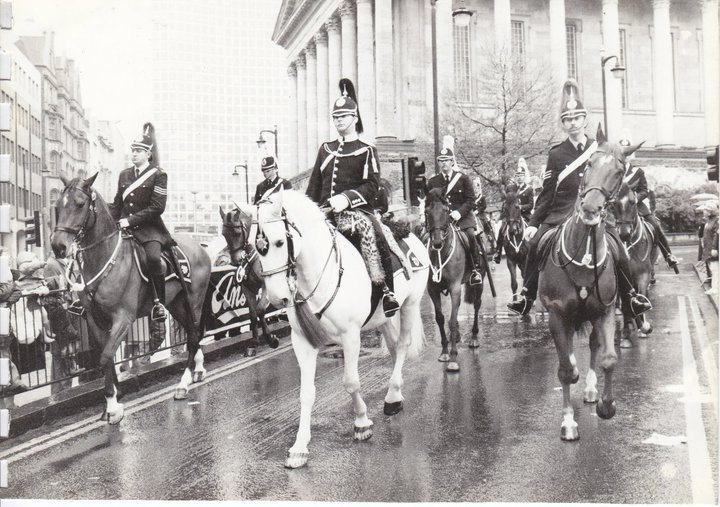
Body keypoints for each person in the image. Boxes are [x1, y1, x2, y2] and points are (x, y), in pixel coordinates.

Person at [507, 80, 652, 317]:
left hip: (597, 213)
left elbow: (613, 183)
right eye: (568, 119)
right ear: (563, 124)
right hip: (561, 212)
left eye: (577, 118)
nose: (573, 123)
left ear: (584, 120)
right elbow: (546, 193)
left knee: (620, 252)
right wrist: (533, 224)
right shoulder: (556, 153)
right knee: (534, 246)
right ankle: (526, 295)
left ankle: (630, 298)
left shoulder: (600, 148)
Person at [306, 78, 399, 317]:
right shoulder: (325, 149)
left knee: (375, 231)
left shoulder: (366, 150)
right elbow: (314, 187)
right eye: (336, 117)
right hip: (325, 214)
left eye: (344, 116)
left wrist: (347, 199)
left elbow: (371, 185)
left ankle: (388, 291)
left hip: (355, 212)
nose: (339, 120)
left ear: (354, 118)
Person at [109, 123, 173, 324]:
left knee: (153, 259)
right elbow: (118, 204)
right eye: (133, 151)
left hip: (149, 229)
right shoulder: (124, 175)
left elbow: (157, 207)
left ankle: (159, 303)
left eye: (138, 151)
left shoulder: (158, 174)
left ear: (148, 154)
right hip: (124, 228)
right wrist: (110, 221)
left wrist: (130, 220)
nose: (134, 155)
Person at [426, 140, 484, 286]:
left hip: (462, 217)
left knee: (470, 236)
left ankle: (475, 269)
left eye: (446, 160)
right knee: (426, 238)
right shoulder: (433, 181)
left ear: (452, 162)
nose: (444, 163)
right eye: (441, 161)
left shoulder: (463, 179)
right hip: (440, 219)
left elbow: (471, 200)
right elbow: (429, 203)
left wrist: (459, 212)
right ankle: (429, 269)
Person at [619, 137, 678, 269]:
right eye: (622, 154)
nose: (625, 157)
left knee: (655, 225)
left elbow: (644, 191)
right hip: (617, 208)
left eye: (627, 154)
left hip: (636, 206)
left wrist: (636, 198)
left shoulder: (638, 172)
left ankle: (668, 255)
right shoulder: (613, 171)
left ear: (631, 155)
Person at [494, 158, 534, 263]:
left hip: (525, 215)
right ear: (515, 177)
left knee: (534, 230)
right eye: (517, 176)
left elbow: (531, 204)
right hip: (512, 215)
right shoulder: (511, 188)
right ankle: (498, 252)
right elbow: (506, 202)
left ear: (524, 176)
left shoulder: (529, 189)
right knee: (502, 230)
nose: (519, 178)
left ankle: (536, 253)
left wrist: (521, 207)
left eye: (521, 176)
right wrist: (502, 215)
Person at [472, 178, 495, 253]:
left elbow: (484, 206)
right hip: (473, 215)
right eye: (475, 188)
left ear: (479, 188)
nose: (476, 189)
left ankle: (491, 238)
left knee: (486, 223)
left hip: (481, 215)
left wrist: (477, 211)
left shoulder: (482, 197)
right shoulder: (472, 198)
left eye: (477, 188)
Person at [700, 201, 719, 293]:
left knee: (715, 270)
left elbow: (716, 235)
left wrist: (714, 248)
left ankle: (715, 288)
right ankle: (714, 287)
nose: (704, 211)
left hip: (712, 249)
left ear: (710, 211)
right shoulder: (709, 221)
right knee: (712, 268)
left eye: (705, 210)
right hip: (708, 248)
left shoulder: (717, 221)